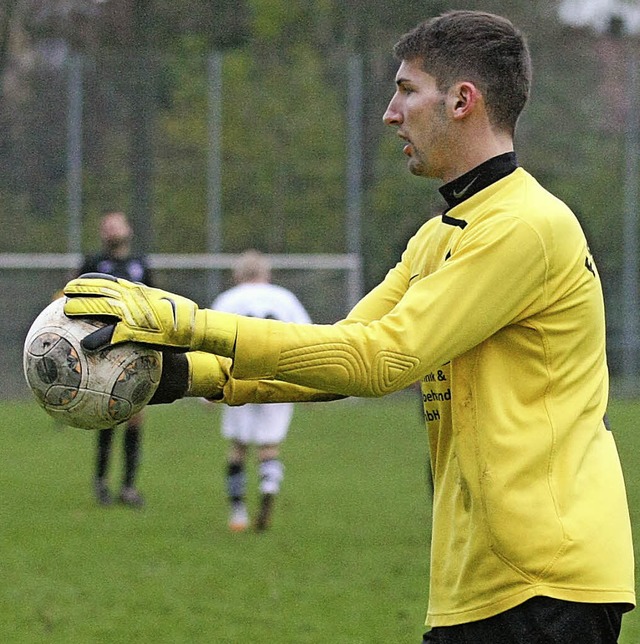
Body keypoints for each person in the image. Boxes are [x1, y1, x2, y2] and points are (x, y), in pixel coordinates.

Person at [63, 10, 635, 642]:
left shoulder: (524, 225)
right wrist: (186, 374)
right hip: (481, 579)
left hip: (546, 577)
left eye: (407, 90)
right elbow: (337, 360)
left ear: (463, 100)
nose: (390, 113)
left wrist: (189, 323)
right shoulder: (440, 237)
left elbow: (382, 360)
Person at [210, 250, 311, 532]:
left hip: (238, 380)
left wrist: (208, 388)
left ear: (237, 274)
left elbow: (210, 341)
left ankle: (239, 512)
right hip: (277, 379)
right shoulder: (284, 298)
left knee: (238, 447)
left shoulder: (228, 300)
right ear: (266, 273)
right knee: (269, 447)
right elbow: (307, 337)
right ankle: (268, 486)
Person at [77, 211, 152, 508]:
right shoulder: (93, 264)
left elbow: (154, 303)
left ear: (128, 229)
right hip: (102, 349)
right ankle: (101, 483)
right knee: (106, 415)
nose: (111, 228)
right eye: (106, 224)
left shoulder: (140, 266)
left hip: (134, 349)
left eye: (116, 223)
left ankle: (129, 487)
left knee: (135, 418)